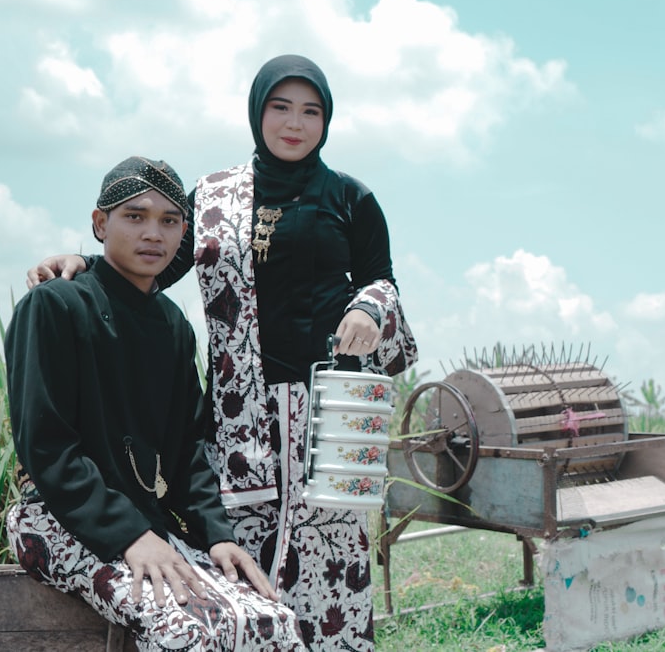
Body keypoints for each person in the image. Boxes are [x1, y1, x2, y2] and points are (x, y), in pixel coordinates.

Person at [27, 56, 418, 651]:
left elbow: (382, 278)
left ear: (327, 120)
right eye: (280, 107)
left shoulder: (351, 197)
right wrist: (81, 262)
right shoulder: (213, 198)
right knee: (245, 556)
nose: (295, 123)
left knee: (332, 559)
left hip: (329, 415)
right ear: (257, 111)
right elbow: (151, 257)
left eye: (311, 111)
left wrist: (368, 307)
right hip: (243, 418)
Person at [6, 156, 306, 651]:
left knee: (272, 622)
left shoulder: (171, 325)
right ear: (100, 223)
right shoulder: (55, 305)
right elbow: (48, 448)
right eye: (135, 216)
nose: (153, 233)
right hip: (55, 519)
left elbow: (187, 448)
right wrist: (129, 535)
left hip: (142, 522)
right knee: (184, 629)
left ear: (183, 233)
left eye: (169, 221)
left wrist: (217, 536)